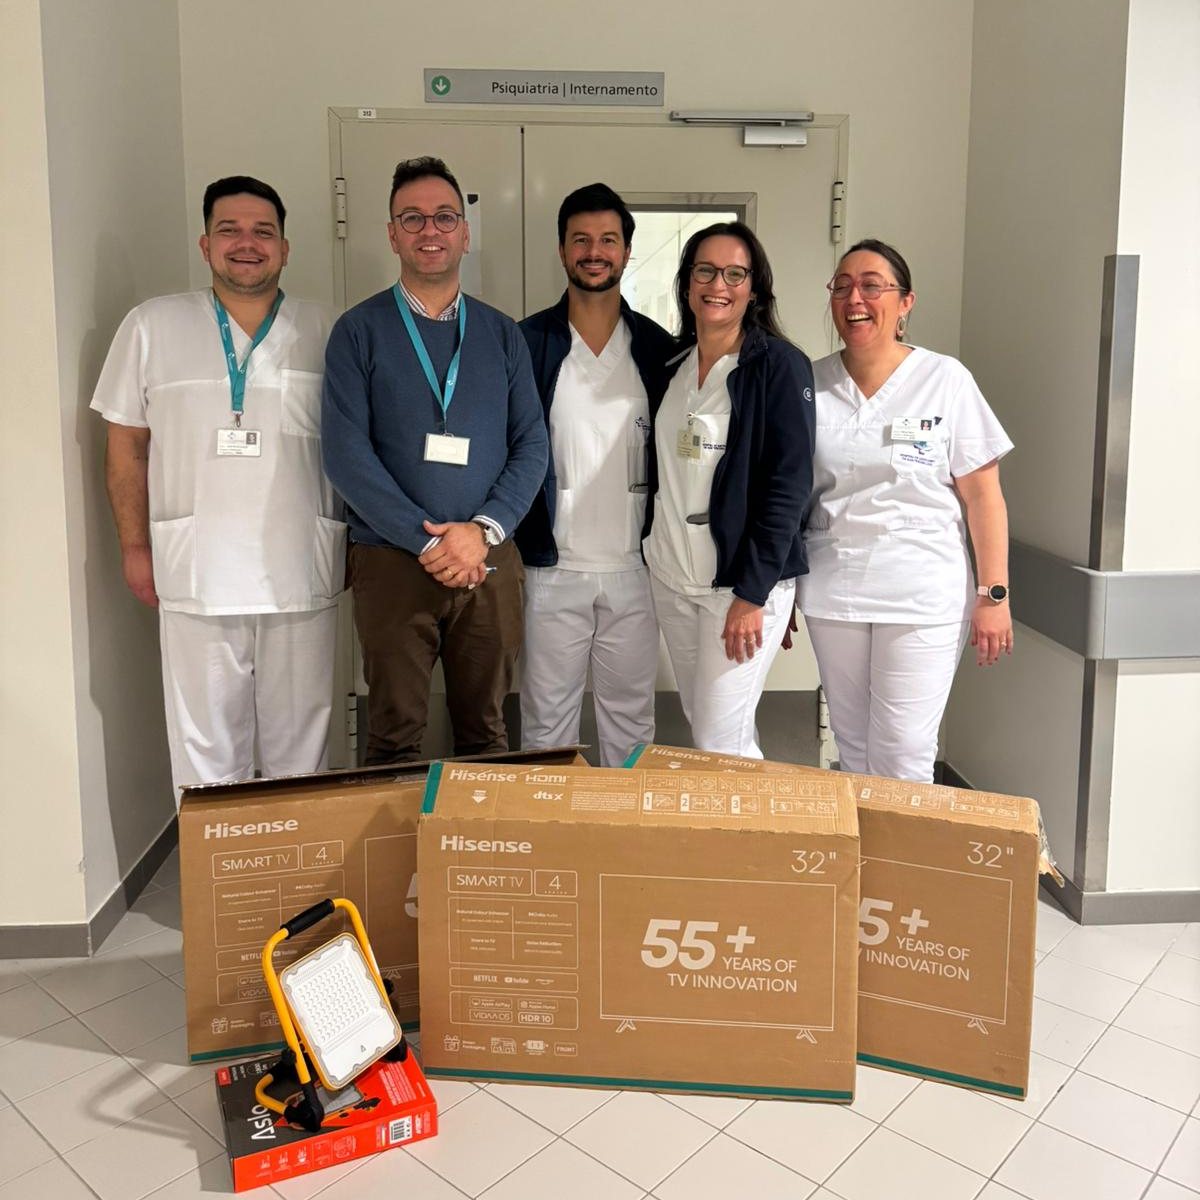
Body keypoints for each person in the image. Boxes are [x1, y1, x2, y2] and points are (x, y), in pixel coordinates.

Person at [91, 176, 342, 800]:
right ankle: (216, 866)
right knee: (202, 749)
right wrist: (134, 547)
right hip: (195, 567)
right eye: (229, 230)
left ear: (285, 248)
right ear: (205, 245)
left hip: (299, 570)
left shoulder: (328, 329)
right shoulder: (151, 326)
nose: (246, 244)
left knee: (302, 751)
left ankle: (295, 863)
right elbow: (126, 446)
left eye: (263, 232)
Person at [322, 156, 547, 765]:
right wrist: (427, 542)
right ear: (391, 233)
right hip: (391, 559)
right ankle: (396, 835)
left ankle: (475, 834)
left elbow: (532, 443)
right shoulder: (358, 331)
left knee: (488, 734)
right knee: (393, 735)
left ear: (465, 233)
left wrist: (481, 531)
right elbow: (345, 455)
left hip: (488, 558)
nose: (430, 230)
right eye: (413, 218)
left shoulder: (502, 335)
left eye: (445, 217)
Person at [797, 238, 1014, 783]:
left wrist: (994, 593)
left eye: (872, 286)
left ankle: (905, 843)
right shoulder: (809, 384)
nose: (855, 299)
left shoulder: (945, 379)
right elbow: (790, 493)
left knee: (904, 752)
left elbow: (983, 495)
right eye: (842, 286)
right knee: (852, 748)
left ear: (905, 302)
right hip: (834, 590)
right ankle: (860, 842)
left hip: (922, 592)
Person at [515, 183, 676, 766]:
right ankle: (548, 823)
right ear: (562, 250)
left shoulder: (659, 349)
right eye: (580, 239)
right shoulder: (526, 343)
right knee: (546, 720)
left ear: (626, 251)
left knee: (632, 722)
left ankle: (621, 822)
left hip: (635, 568)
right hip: (551, 568)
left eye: (608, 240)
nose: (594, 251)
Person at [642, 221, 815, 757]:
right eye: (706, 271)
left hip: (737, 586)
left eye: (735, 274)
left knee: (719, 739)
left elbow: (788, 487)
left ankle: (756, 816)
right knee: (709, 723)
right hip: (673, 576)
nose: (719, 284)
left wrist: (754, 593)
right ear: (687, 282)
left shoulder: (778, 367)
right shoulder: (670, 367)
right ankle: (742, 810)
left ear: (754, 288)